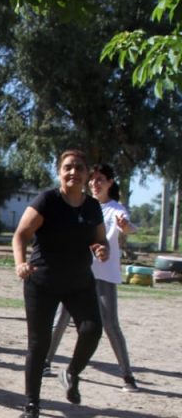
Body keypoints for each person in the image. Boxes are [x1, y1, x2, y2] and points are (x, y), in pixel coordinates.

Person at [12, 149, 109, 418]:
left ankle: (73, 373)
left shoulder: (92, 207)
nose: (73, 172)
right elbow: (21, 235)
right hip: (42, 281)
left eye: (79, 167)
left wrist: (102, 250)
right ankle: (32, 404)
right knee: (38, 343)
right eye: (67, 167)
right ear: (59, 172)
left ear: (87, 174)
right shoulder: (47, 201)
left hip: (79, 281)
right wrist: (20, 263)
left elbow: (100, 241)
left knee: (92, 330)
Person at [43, 162, 137, 391]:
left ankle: (127, 376)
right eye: (93, 179)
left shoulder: (116, 209)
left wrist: (126, 227)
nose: (95, 183)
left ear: (110, 183)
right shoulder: (82, 205)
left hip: (104, 275)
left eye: (100, 180)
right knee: (60, 319)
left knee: (110, 324)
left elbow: (129, 227)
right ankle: (45, 362)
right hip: (77, 272)